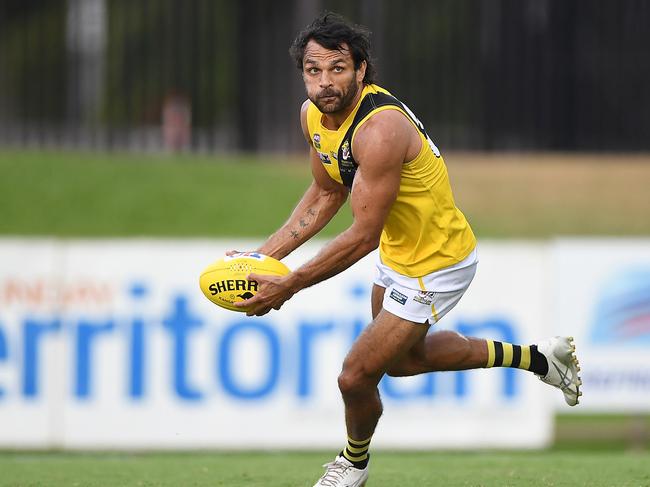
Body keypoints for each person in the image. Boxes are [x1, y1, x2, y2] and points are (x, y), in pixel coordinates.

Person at [234, 12, 582, 487]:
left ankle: (352, 464)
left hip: (438, 261)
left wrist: (290, 285)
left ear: (361, 69)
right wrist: (262, 257)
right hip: (401, 253)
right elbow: (326, 193)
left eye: (337, 68)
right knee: (402, 363)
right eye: (313, 70)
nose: (324, 82)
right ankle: (542, 359)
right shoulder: (312, 116)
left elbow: (363, 234)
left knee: (355, 376)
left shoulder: (381, 129)